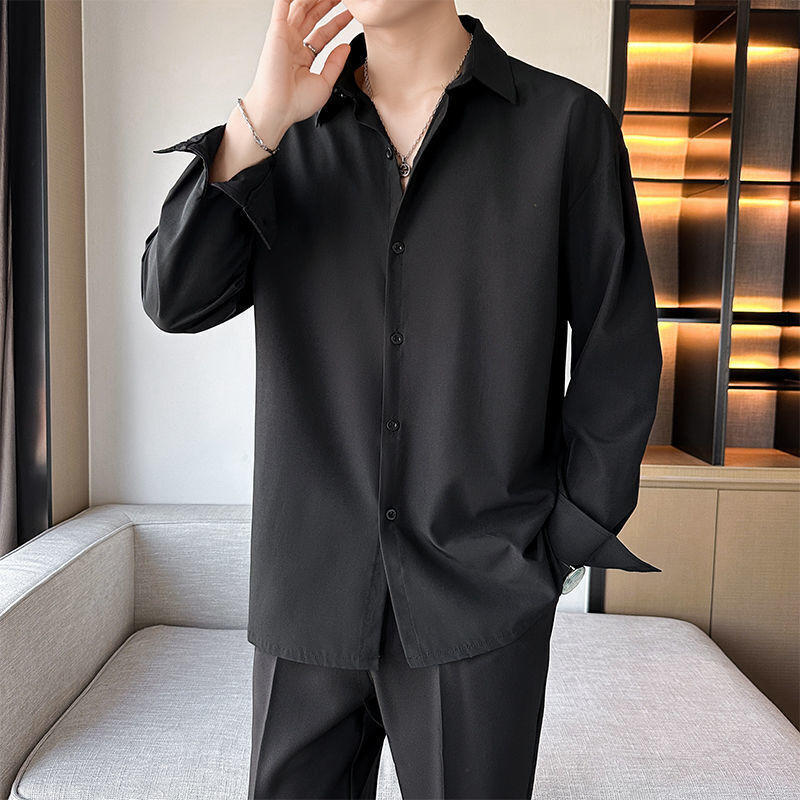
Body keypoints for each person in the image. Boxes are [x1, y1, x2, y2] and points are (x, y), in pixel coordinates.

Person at [141, 0, 663, 797]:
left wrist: (557, 543)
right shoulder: (283, 138)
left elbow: (617, 356)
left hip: (481, 595)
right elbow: (175, 298)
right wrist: (261, 117)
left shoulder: (565, 127)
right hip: (308, 591)